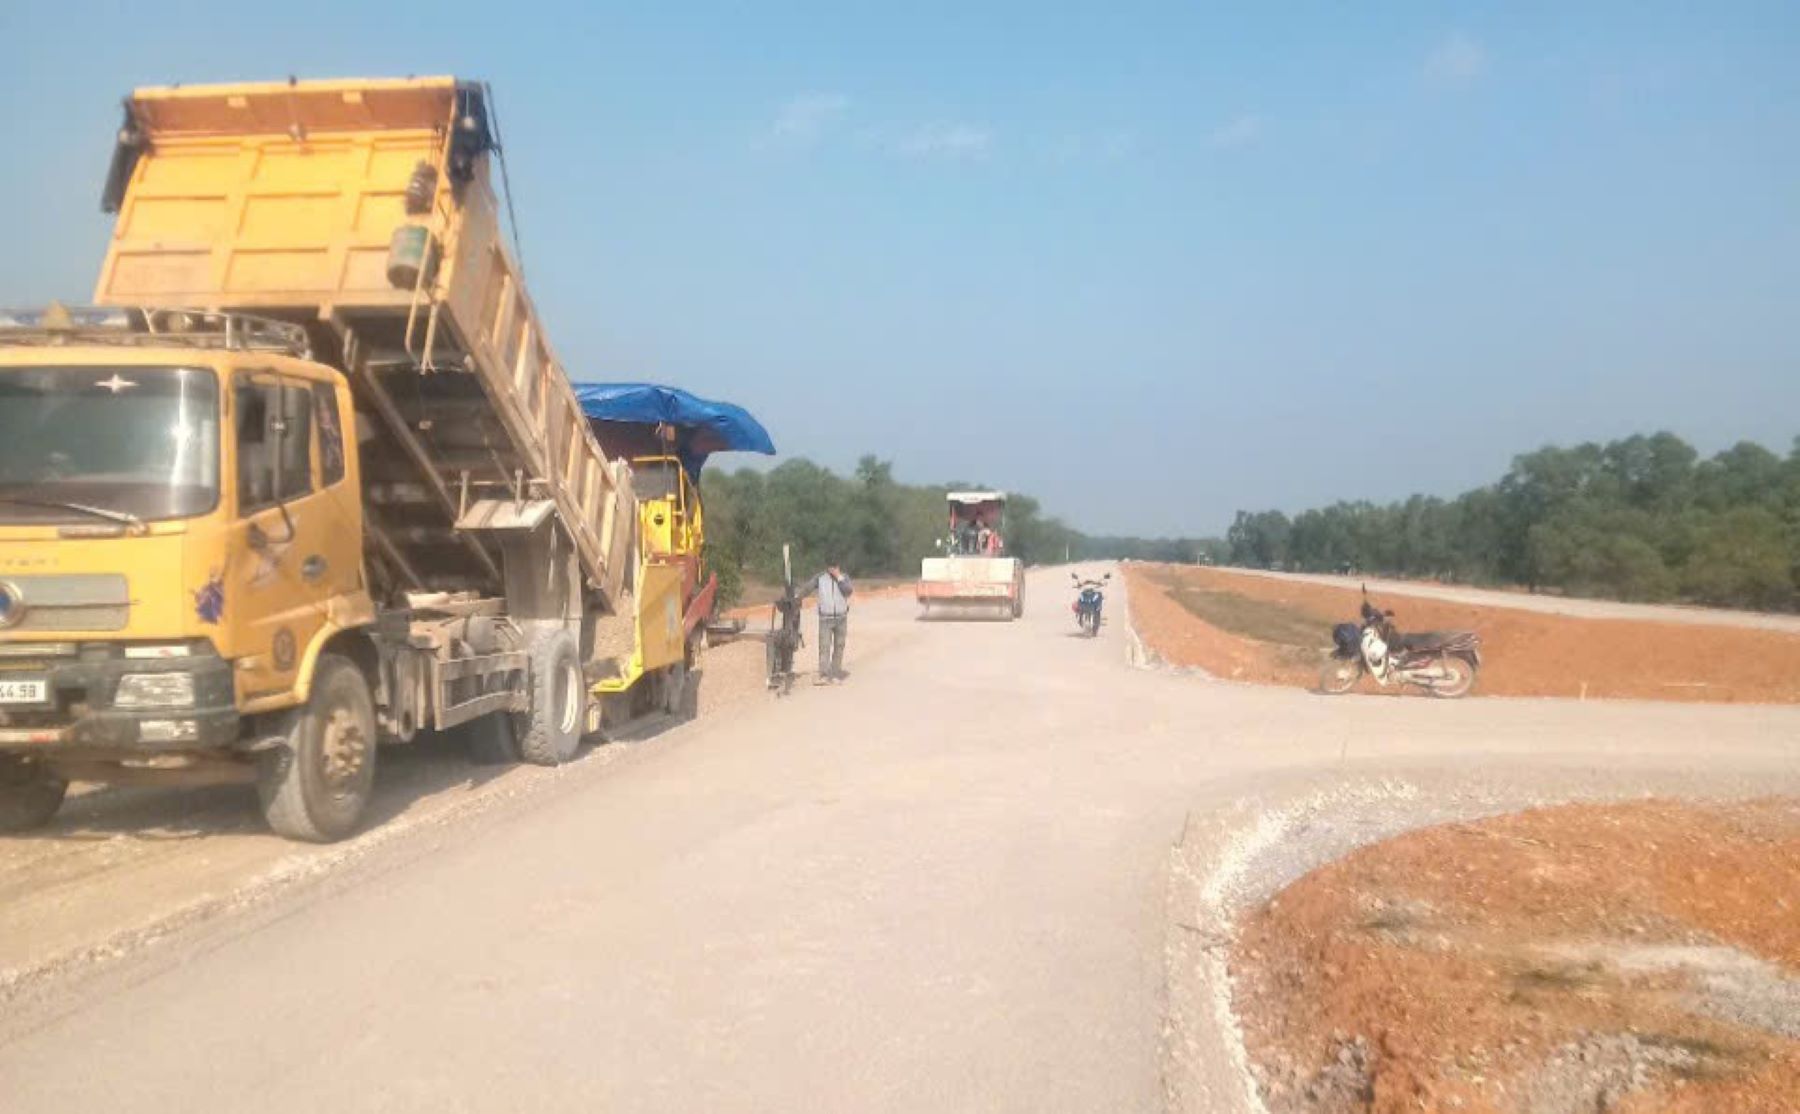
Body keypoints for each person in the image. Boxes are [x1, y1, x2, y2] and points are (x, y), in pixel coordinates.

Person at [802, 564, 854, 684]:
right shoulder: (820, 578)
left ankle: (835, 673)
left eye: (834, 566)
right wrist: (797, 596)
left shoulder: (844, 577)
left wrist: (839, 577)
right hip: (825, 618)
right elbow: (807, 589)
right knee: (824, 646)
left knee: (839, 646)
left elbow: (848, 591)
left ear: (838, 566)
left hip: (841, 617)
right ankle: (824, 675)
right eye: (830, 566)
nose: (832, 568)